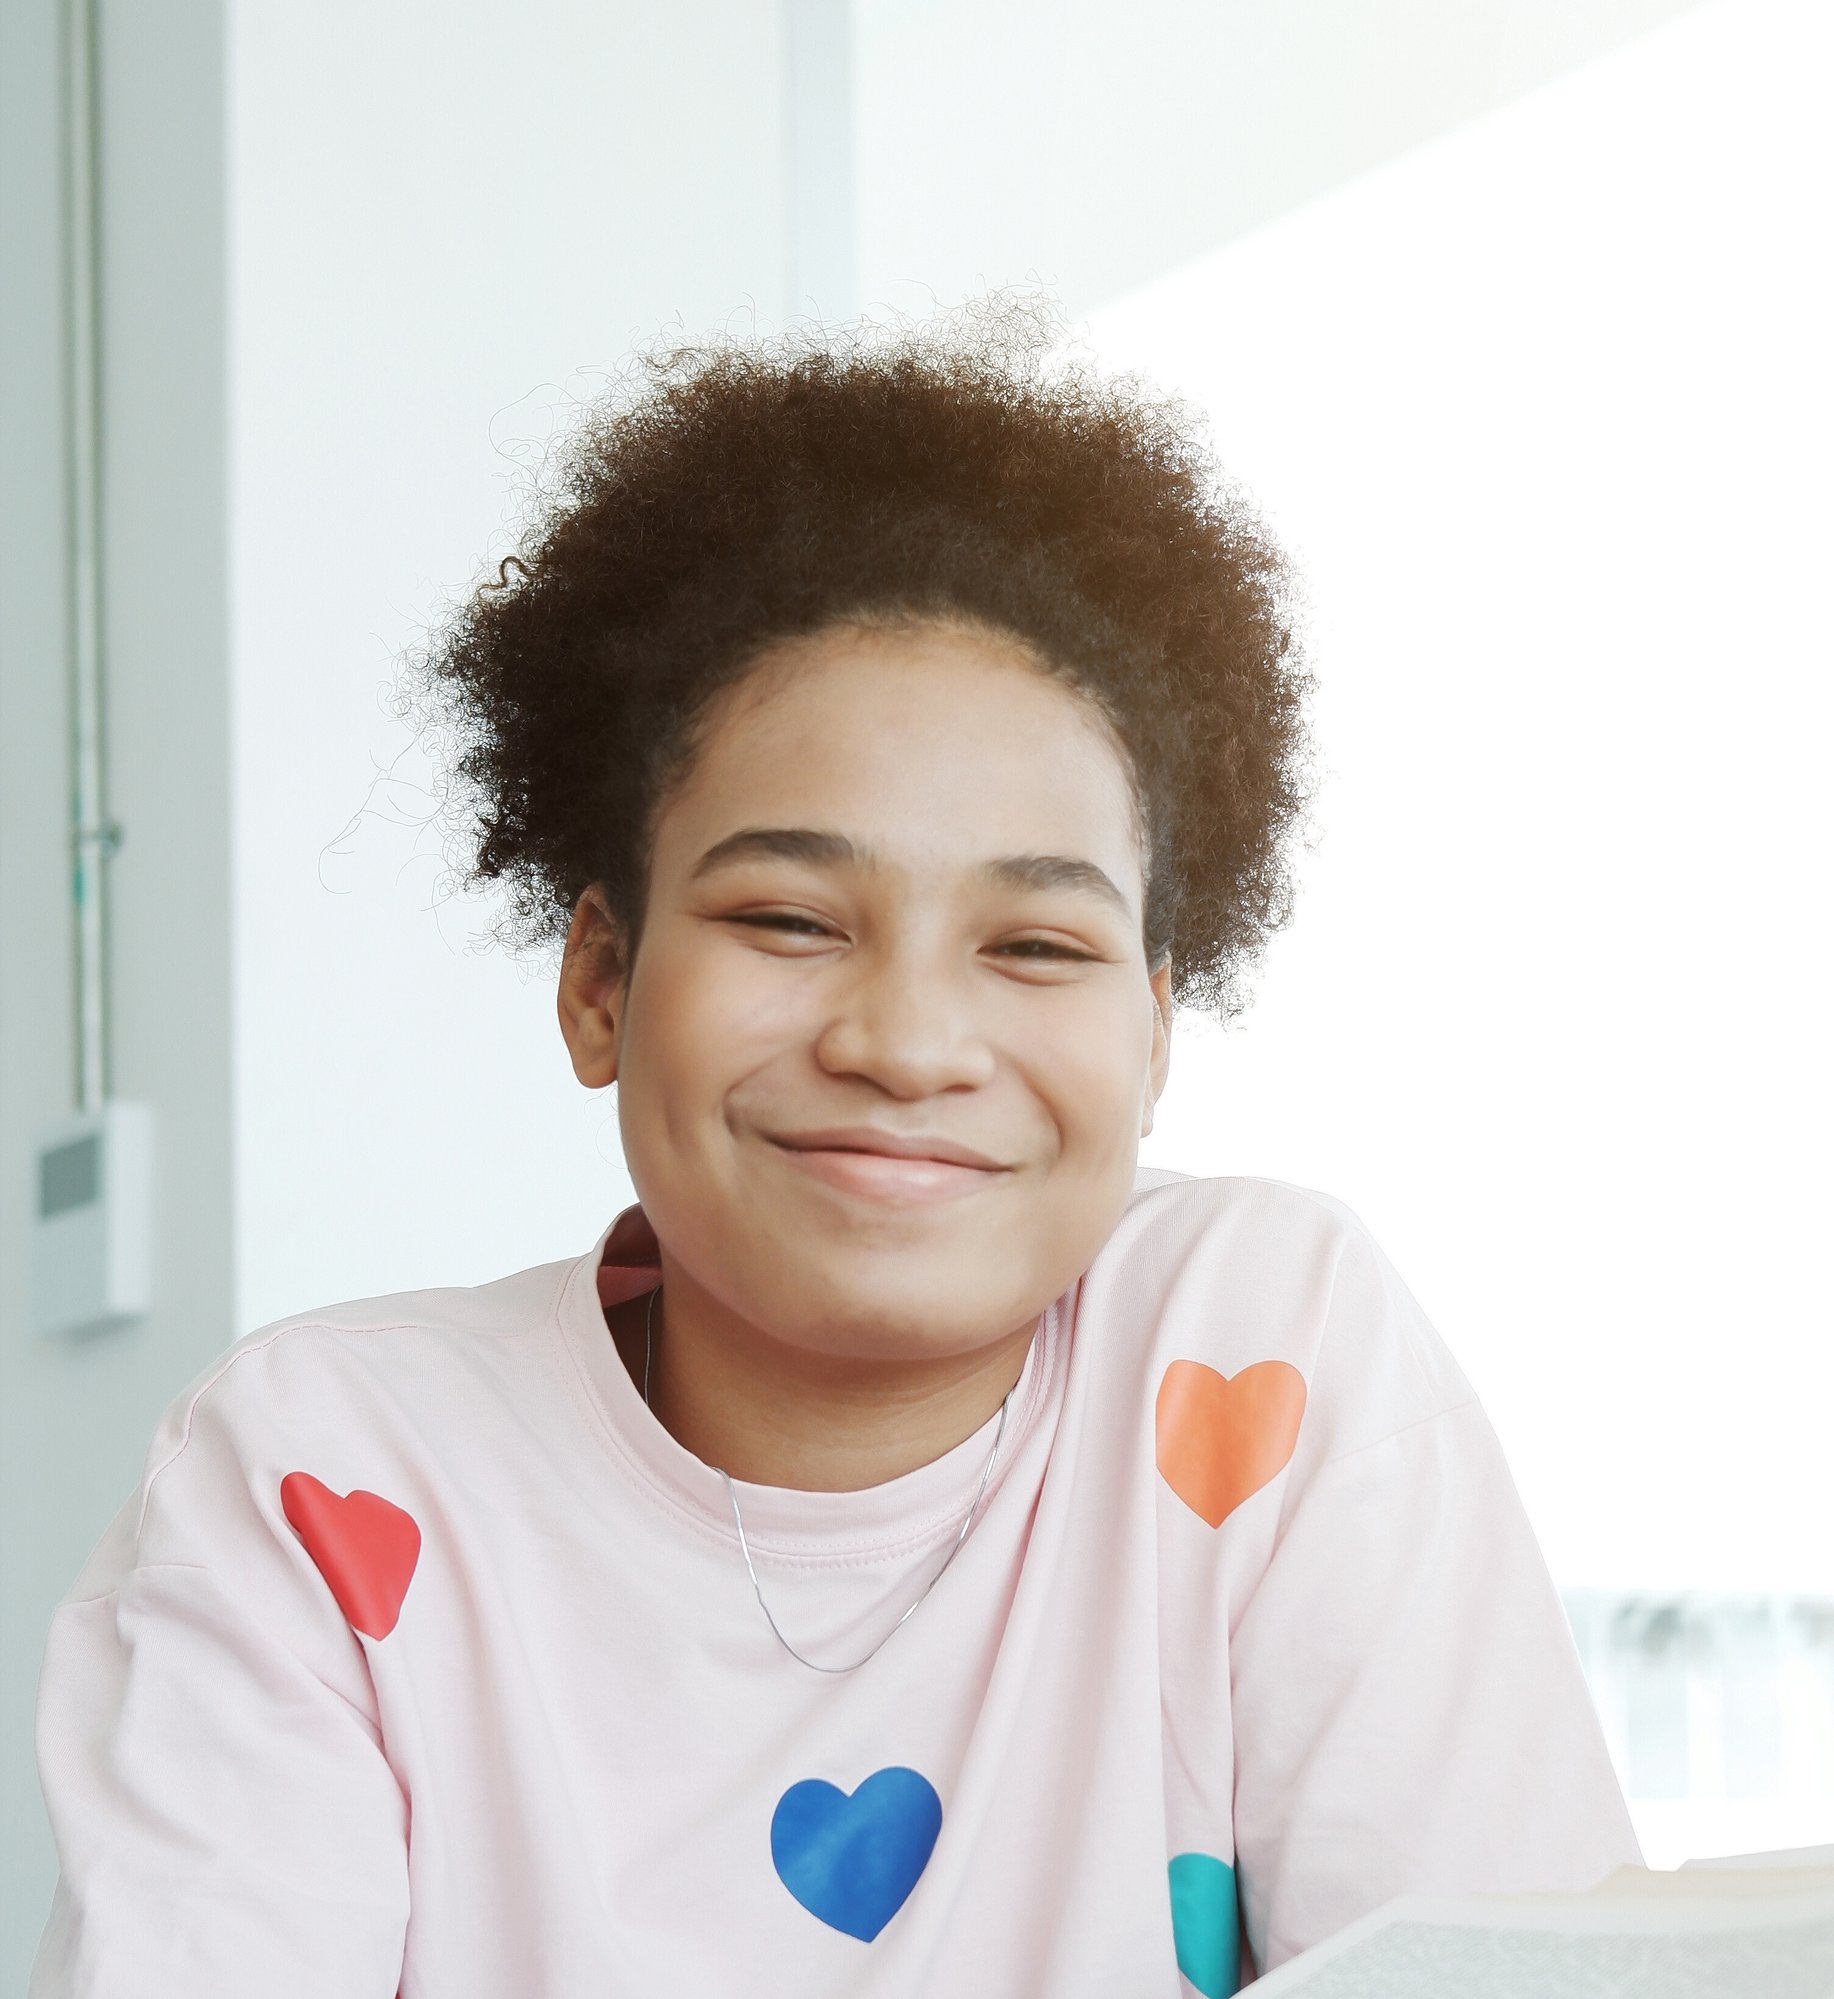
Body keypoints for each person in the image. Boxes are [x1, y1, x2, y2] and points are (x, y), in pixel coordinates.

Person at [29, 299, 1639, 1998]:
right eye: (791, 917)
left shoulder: (1262, 1340)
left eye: (1034, 947)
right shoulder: (320, 1475)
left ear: (1155, 1036)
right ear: (599, 982)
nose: (906, 1043)